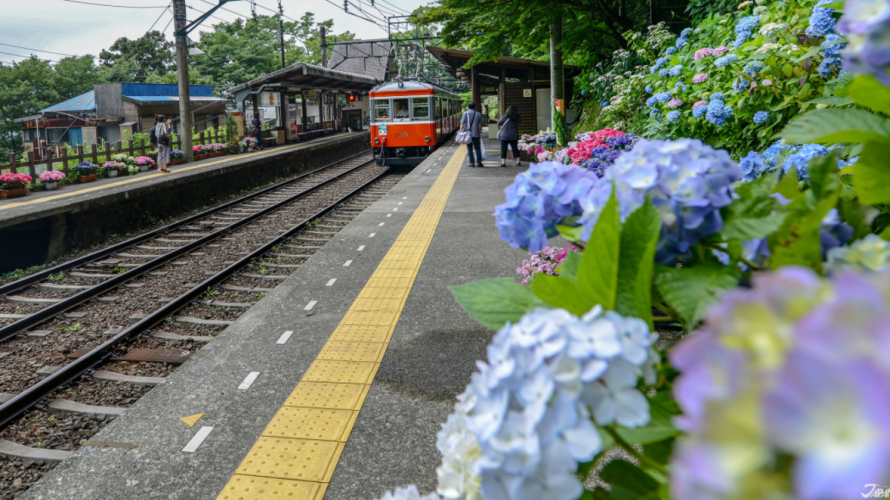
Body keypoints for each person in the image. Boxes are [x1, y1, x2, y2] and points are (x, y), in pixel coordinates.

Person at [460, 102, 483, 167]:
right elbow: (480, 124)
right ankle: (479, 162)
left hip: (468, 135)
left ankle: (471, 163)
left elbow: (462, 124)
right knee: (477, 148)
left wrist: (460, 131)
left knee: (470, 148)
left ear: (468, 107)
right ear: (475, 107)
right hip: (476, 134)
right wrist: (479, 132)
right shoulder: (478, 114)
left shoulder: (465, 113)